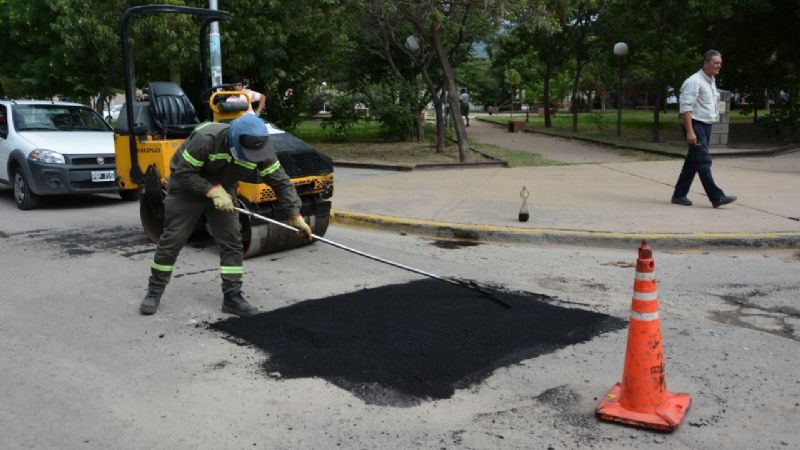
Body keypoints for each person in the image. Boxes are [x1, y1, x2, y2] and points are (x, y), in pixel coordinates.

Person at [139, 114, 312, 317]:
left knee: (232, 240)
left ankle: (232, 297)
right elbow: (183, 172)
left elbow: (280, 181)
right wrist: (211, 191)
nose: (253, 157)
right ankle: (154, 291)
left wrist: (295, 215)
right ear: (233, 141)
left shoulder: (260, 148)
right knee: (172, 239)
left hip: (224, 188)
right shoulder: (207, 139)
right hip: (186, 188)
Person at [671, 50, 736, 208]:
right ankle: (716, 197)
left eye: (720, 63)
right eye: (715, 63)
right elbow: (685, 108)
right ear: (706, 63)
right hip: (695, 125)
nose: (718, 66)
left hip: (705, 125)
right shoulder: (694, 81)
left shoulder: (710, 80)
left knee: (692, 163)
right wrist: (690, 131)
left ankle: (679, 195)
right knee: (703, 161)